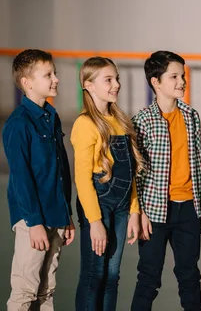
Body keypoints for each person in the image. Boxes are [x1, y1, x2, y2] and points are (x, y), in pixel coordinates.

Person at [131, 50, 201, 311]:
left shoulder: (191, 116)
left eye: (183, 76)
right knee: (149, 278)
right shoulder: (142, 121)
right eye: (174, 76)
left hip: (188, 209)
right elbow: (137, 174)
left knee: (189, 275)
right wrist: (139, 212)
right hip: (154, 213)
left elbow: (198, 163)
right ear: (156, 82)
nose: (181, 82)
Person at [3, 49, 75, 310]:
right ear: (27, 82)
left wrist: (66, 216)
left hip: (55, 215)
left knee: (47, 289)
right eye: (48, 75)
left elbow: (60, 170)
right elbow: (21, 178)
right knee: (25, 290)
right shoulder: (18, 123)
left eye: (54, 73)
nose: (55, 79)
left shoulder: (51, 117)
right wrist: (33, 223)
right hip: (33, 219)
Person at [71, 56, 143, 310]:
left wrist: (134, 210)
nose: (116, 85)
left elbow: (130, 172)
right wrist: (95, 222)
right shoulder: (85, 124)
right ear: (89, 85)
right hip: (98, 207)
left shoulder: (121, 121)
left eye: (117, 79)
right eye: (108, 80)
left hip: (122, 208)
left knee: (112, 277)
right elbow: (82, 179)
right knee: (94, 276)